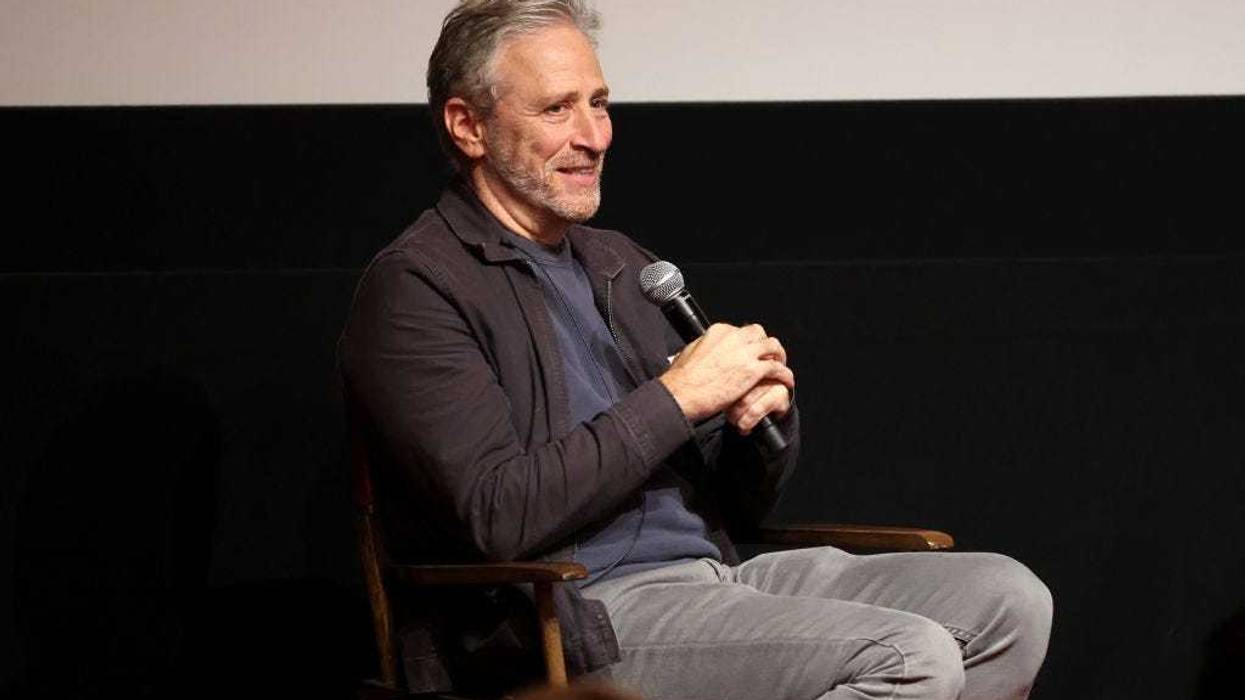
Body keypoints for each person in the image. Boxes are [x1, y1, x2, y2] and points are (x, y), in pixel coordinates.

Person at [337, 1, 1053, 698]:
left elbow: (736, 505)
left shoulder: (618, 262)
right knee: (907, 655)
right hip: (572, 616)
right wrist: (678, 398)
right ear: (468, 126)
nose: (594, 135)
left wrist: (755, 418)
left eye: (600, 103)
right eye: (557, 109)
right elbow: (499, 516)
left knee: (1007, 601)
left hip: (714, 575)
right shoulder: (418, 289)